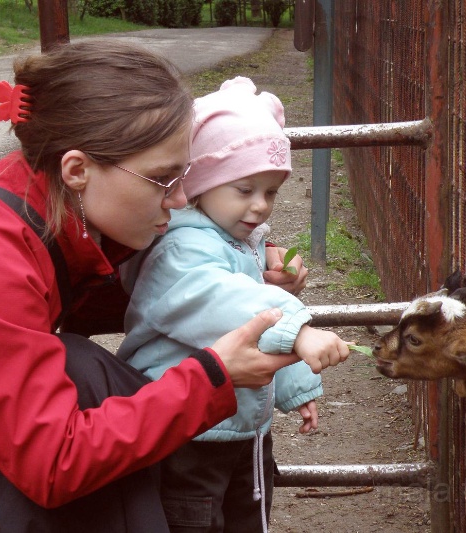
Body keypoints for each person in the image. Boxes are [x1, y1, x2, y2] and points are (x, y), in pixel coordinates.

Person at [0, 41, 322, 533]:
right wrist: (212, 376)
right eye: (163, 179)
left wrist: (237, 275)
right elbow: (52, 462)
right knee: (85, 382)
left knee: (86, 383)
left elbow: (96, 297)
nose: (182, 198)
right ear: (77, 169)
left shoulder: (38, 205)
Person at [117, 76, 350, 533]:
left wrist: (296, 387)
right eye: (245, 190)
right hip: (190, 433)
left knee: (248, 514)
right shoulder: (180, 250)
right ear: (200, 183)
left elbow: (254, 321)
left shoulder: (240, 244)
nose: (261, 206)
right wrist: (299, 331)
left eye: (271, 192)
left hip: (241, 424)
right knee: (194, 520)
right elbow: (226, 302)